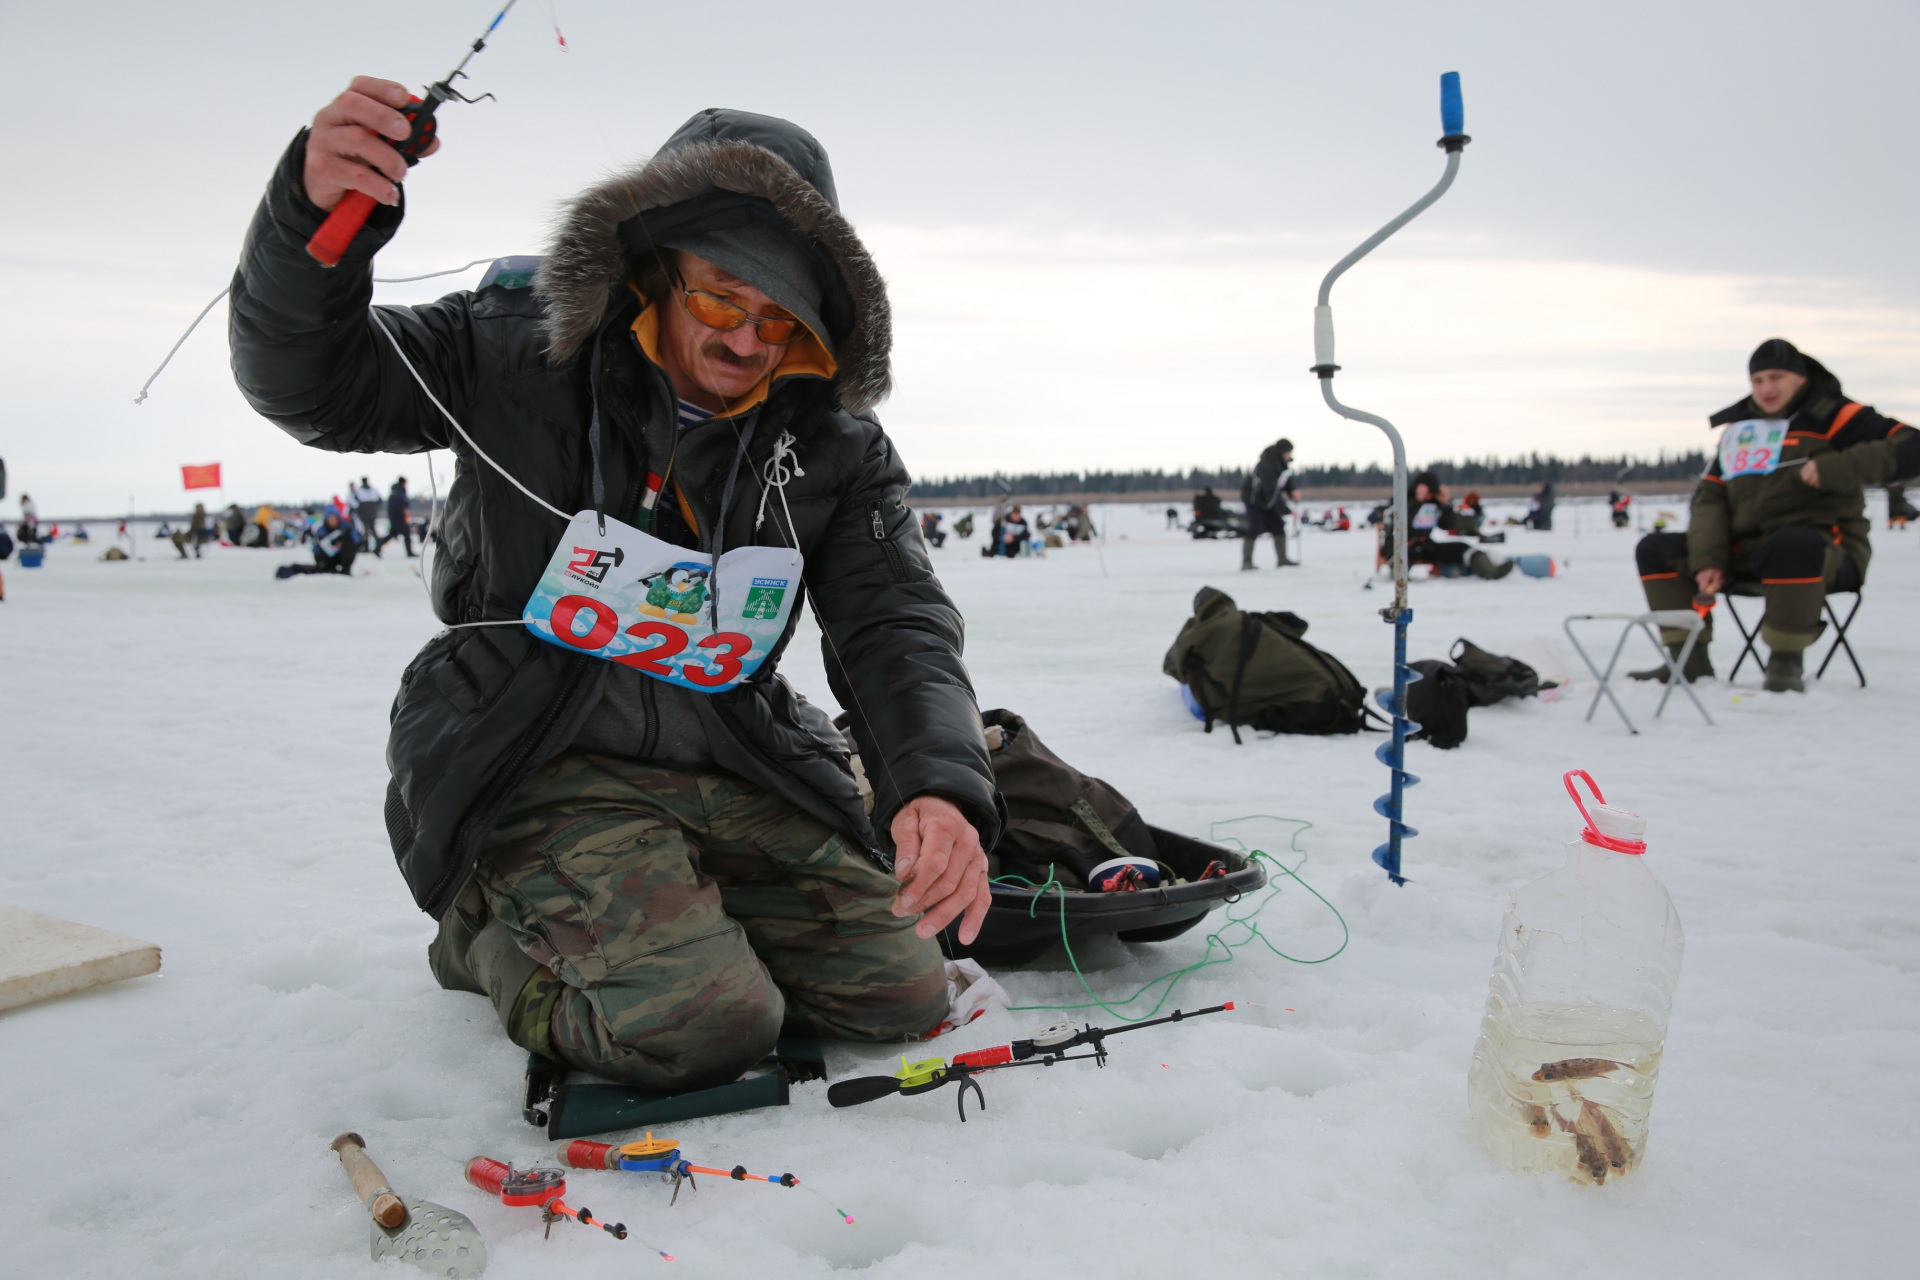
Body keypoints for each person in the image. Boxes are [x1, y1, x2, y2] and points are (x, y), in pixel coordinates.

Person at [230, 85, 998, 1093]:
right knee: (708, 1027)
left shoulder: (834, 441)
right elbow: (312, 384)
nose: (745, 342)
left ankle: (674, 903)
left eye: (779, 319)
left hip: (732, 753)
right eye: (721, 299)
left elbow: (894, 619)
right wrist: (308, 225)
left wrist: (934, 784)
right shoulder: (515, 344)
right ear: (656, 269)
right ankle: (482, 936)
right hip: (536, 754)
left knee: (902, 992)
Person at [1632, 339, 1918, 691]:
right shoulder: (1740, 428)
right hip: (1750, 553)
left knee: (1792, 544)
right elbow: (1711, 498)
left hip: (1827, 553)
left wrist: (1835, 468)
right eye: (1758, 380)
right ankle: (1688, 662)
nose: (1766, 388)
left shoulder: (1835, 415)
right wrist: (1708, 560)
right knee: (1656, 548)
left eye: (1776, 377)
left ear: (1800, 378)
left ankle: (1785, 667)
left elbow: (1913, 446)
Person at [1394, 470, 1512, 579]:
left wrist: (1445, 504)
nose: (1428, 497)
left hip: (1426, 545)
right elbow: (1402, 523)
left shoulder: (1432, 505)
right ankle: (1400, 580)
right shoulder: (1403, 501)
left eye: (1430, 494)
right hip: (1400, 545)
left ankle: (1489, 571)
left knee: (1462, 548)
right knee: (1405, 554)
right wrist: (1417, 501)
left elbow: (1448, 525)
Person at [1240, 437, 1299, 569]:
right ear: (1283, 452)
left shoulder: (1280, 464)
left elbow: (1285, 480)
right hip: (1255, 501)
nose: (1290, 455)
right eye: (1289, 452)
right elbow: (1271, 492)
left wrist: (1292, 491)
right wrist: (1287, 510)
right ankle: (1246, 563)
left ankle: (1282, 560)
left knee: (1278, 526)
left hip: (1268, 502)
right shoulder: (1267, 465)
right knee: (1253, 528)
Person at [276, 509, 359, 577]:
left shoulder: (346, 527)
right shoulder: (321, 531)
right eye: (330, 518)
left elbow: (357, 541)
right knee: (319, 569)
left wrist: (348, 534)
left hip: (341, 558)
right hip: (326, 559)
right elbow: (320, 549)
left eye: (334, 518)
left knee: (349, 544)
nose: (333, 521)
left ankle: (345, 570)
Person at [380, 476, 415, 556]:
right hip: (398, 517)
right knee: (406, 533)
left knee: (393, 534)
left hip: (396, 516)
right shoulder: (397, 492)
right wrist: (404, 507)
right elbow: (399, 504)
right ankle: (409, 552)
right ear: (403, 483)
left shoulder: (398, 491)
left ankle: (377, 547)